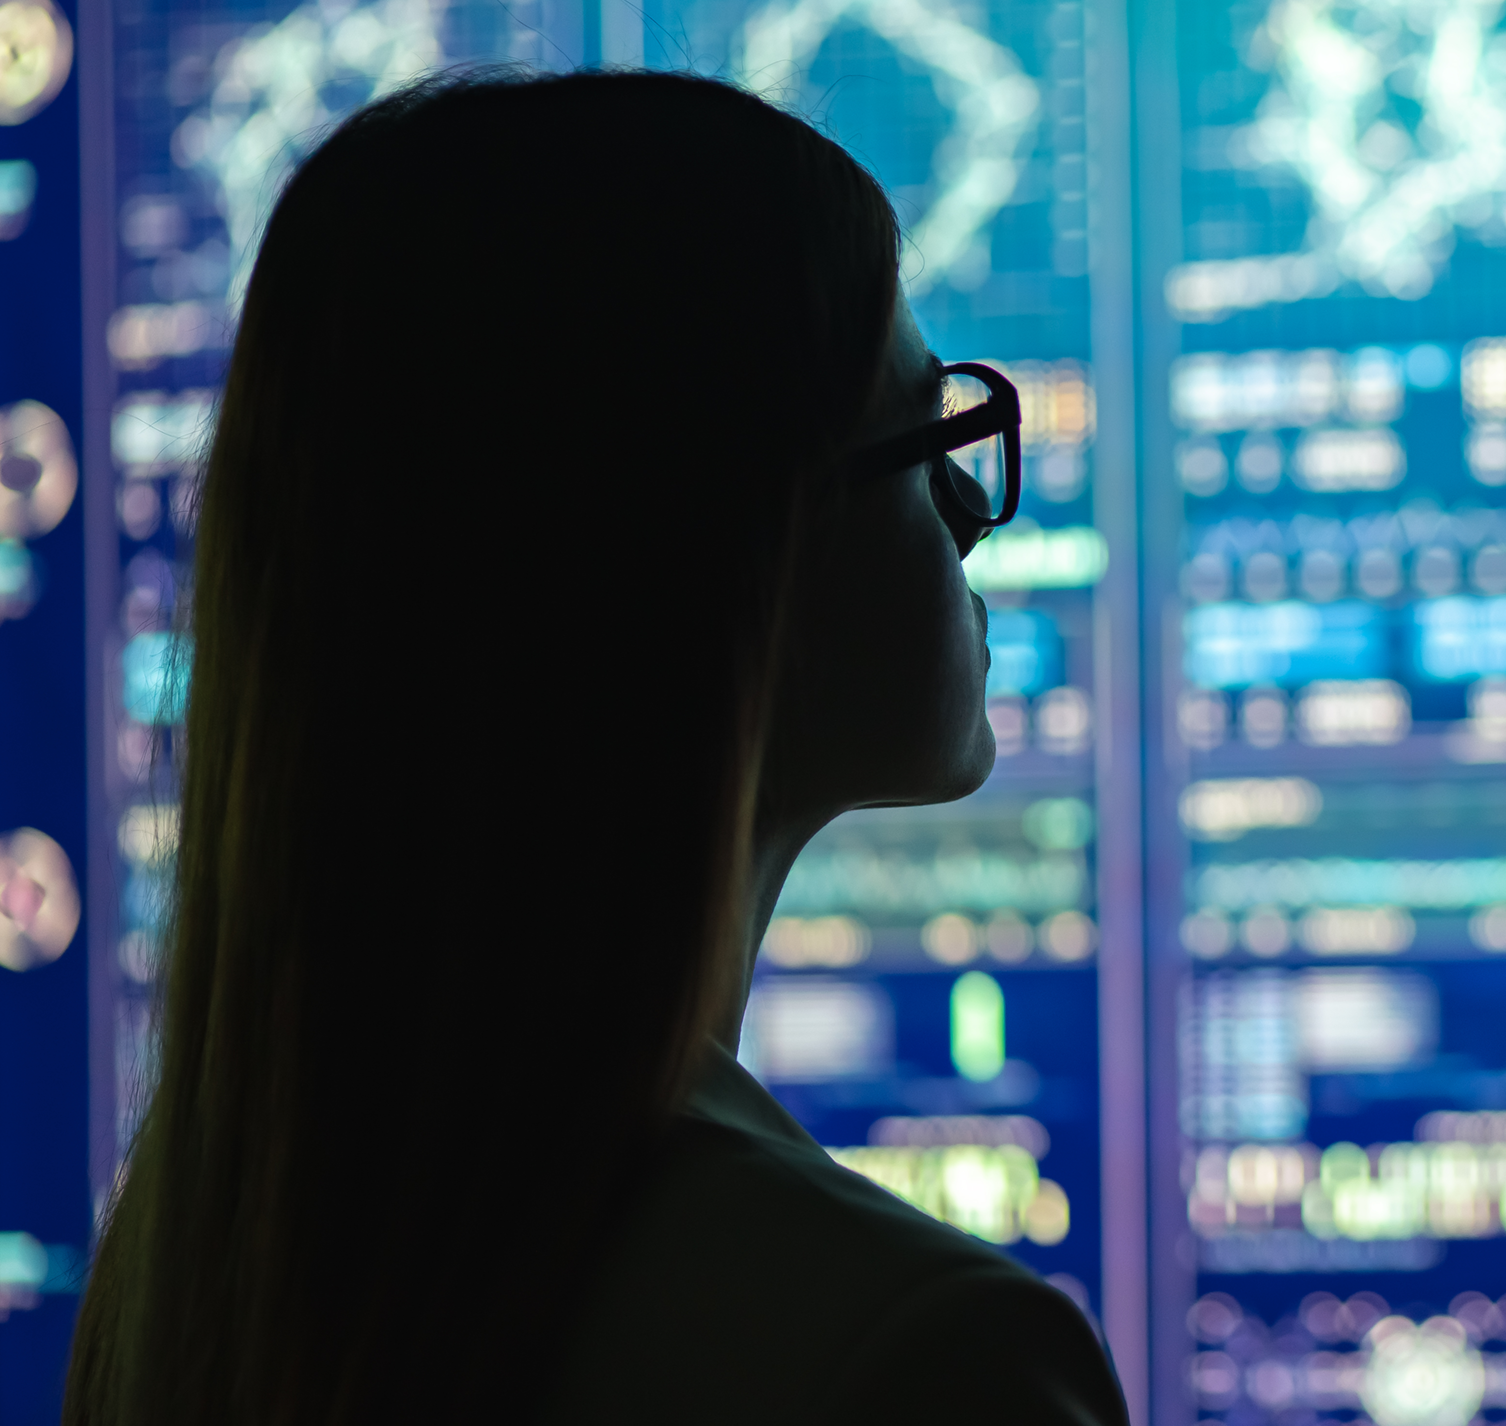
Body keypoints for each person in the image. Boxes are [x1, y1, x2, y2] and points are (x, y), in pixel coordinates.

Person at [63, 69, 1127, 1425]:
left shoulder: (195, 1267)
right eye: (927, 434)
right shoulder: (923, 1354)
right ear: (733, 557)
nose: (974, 504)